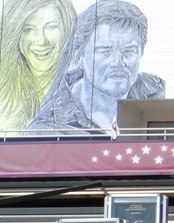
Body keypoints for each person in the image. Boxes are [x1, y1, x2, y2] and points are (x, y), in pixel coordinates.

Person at [27, 0, 165, 135]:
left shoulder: (157, 94)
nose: (118, 62)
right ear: (79, 56)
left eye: (129, 51)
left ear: (141, 52)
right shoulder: (48, 127)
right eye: (104, 51)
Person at [0, 0, 76, 131]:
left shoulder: (80, 91)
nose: (41, 40)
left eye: (51, 27)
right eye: (28, 29)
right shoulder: (4, 92)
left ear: (67, 28)